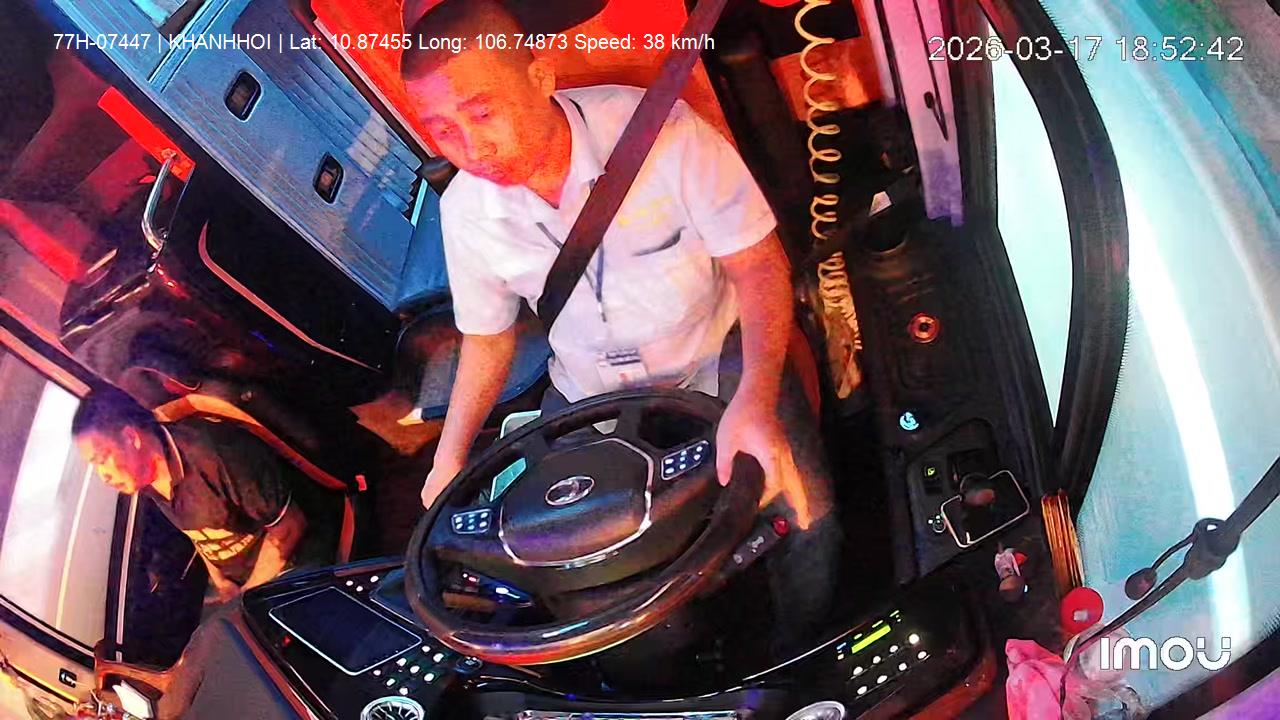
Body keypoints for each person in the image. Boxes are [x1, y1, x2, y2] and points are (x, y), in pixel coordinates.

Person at [404, 0, 840, 650]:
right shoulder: (466, 209)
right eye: (442, 130)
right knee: (571, 561)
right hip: (587, 396)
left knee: (806, 518)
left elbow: (758, 266)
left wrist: (754, 397)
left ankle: (802, 650)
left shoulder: (664, 137)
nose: (470, 149)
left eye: (483, 113)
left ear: (540, 76)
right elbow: (488, 337)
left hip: (716, 360)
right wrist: (449, 458)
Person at [72, 389, 311, 603]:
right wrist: (221, 581)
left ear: (131, 438)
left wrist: (245, 598)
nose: (103, 476)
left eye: (102, 459)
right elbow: (196, 530)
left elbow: (289, 526)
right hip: (244, 585)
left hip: (295, 570)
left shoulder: (214, 456)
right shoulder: (145, 480)